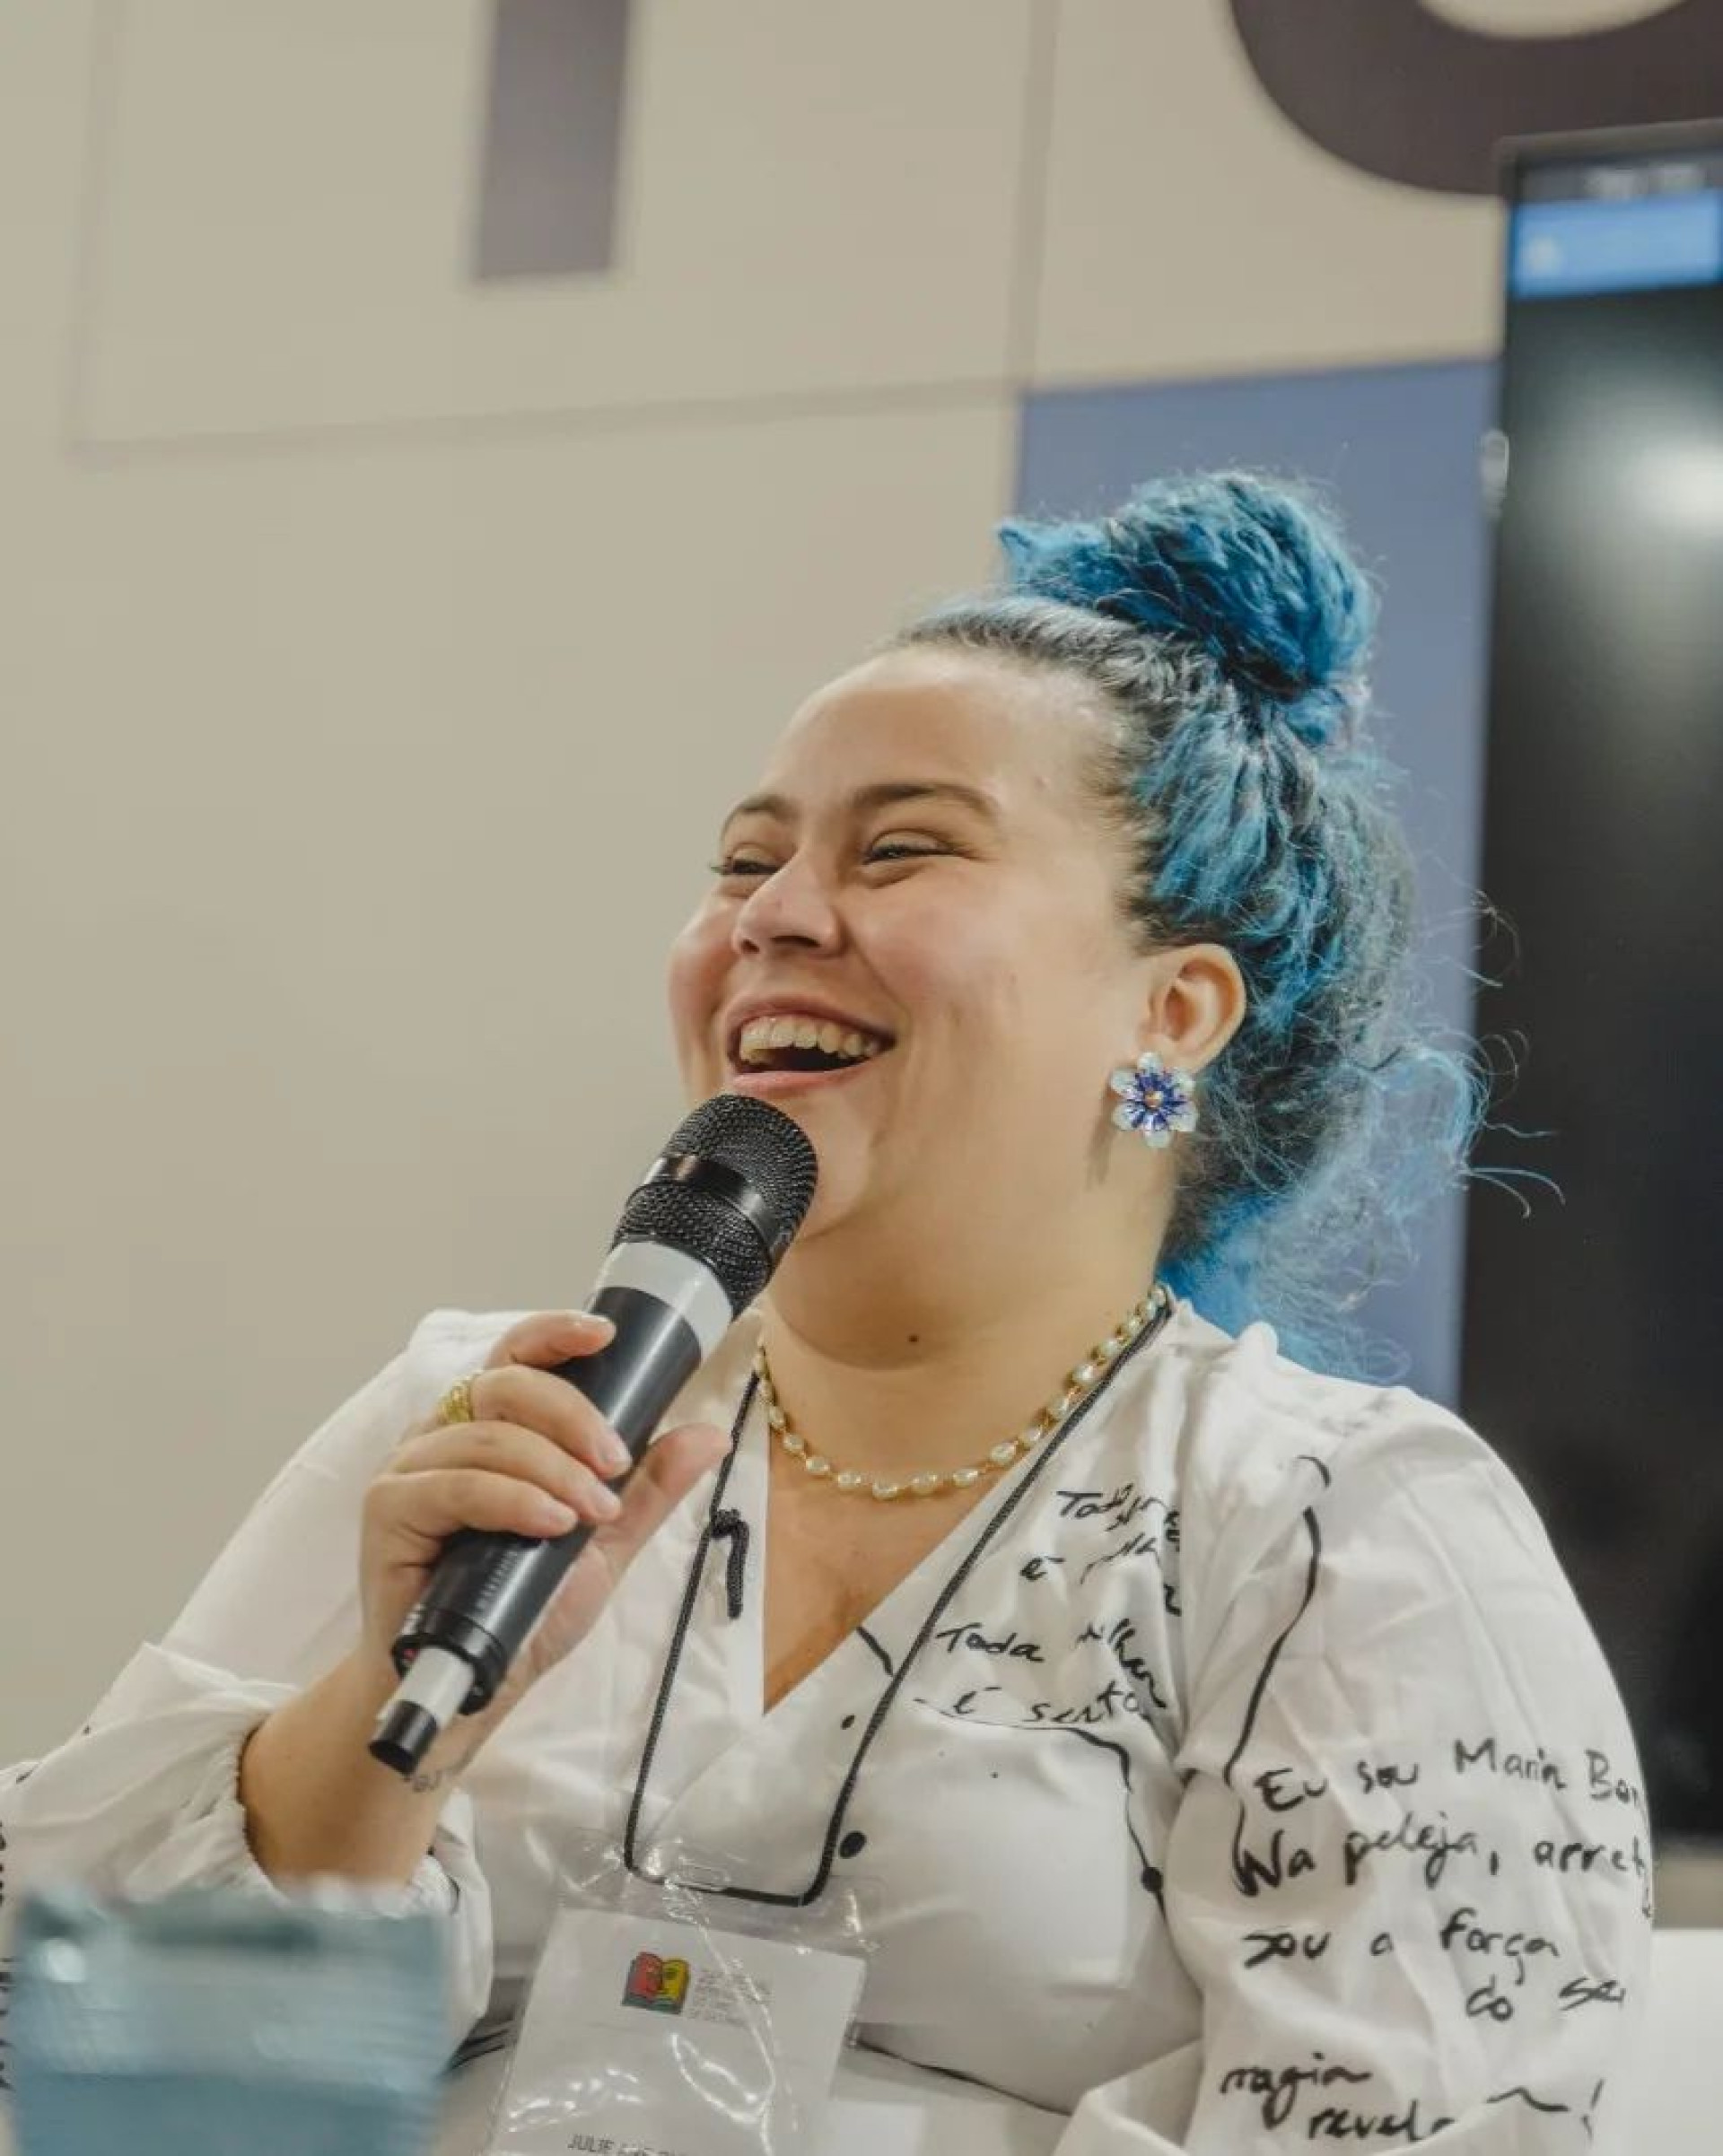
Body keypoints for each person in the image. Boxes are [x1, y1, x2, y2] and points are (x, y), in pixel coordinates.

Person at [0, 475, 1650, 2151]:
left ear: (1172, 1011)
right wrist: (385, 1712)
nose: (770, 916)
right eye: (740, 861)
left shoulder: (1338, 1523)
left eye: (903, 850)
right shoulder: (492, 1411)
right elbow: (83, 2042)